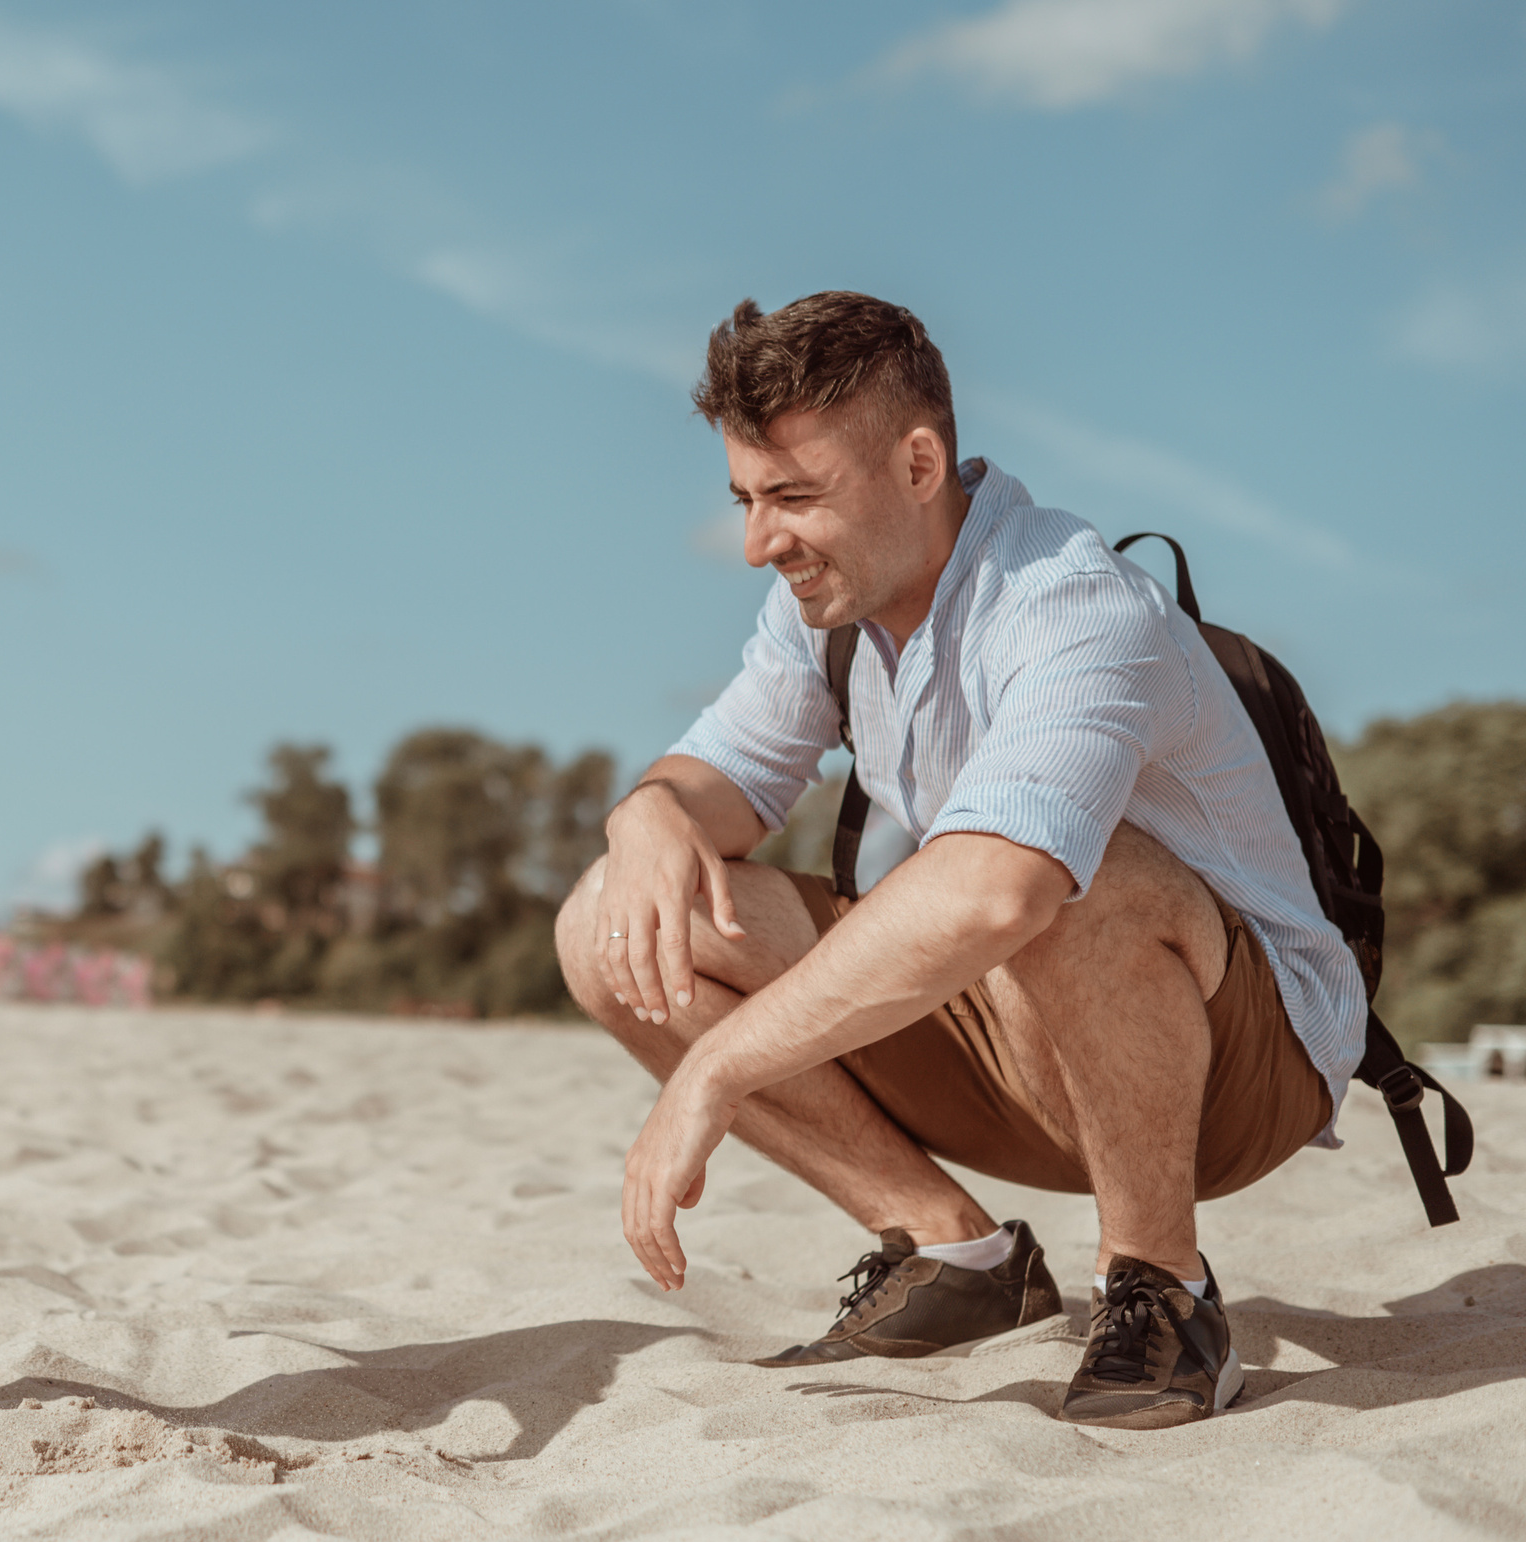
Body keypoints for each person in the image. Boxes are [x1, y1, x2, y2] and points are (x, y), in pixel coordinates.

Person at [555, 293, 1365, 1430]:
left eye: (794, 497)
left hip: (1240, 1064)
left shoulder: (1071, 605)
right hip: (1019, 1040)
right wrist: (645, 815)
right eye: (744, 500)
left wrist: (716, 1065)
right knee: (614, 916)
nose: (758, 542)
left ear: (920, 461)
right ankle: (957, 1261)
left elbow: (1001, 889)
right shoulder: (822, 612)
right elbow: (716, 785)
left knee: (1073, 883)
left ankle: (1159, 1287)